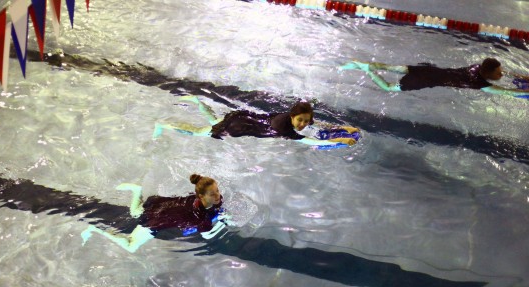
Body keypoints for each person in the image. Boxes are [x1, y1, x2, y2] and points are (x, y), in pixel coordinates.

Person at [81, 174, 228, 253]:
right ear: (201, 196)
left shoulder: (198, 197)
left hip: (162, 205)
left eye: (217, 191)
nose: (217, 196)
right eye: (212, 194)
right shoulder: (200, 218)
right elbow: (207, 234)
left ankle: (137, 191)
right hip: (157, 220)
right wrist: (223, 221)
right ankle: (94, 228)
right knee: (131, 245)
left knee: (134, 213)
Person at [152, 96, 359, 146]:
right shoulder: (283, 127)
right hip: (236, 126)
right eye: (301, 121)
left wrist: (344, 128)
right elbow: (312, 142)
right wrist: (339, 141)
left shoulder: (297, 119)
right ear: (292, 116)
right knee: (200, 132)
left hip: (242, 116)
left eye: (306, 121)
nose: (304, 125)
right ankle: (166, 125)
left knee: (215, 120)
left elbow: (319, 125)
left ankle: (198, 102)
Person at [340, 57, 529, 98]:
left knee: (388, 66)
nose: (501, 73)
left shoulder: (476, 67)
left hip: (428, 69)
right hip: (424, 80)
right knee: (389, 88)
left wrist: (522, 76)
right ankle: (367, 71)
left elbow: (507, 76)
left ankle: (358, 63)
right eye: (498, 72)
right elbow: (509, 92)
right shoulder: (479, 84)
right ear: (487, 74)